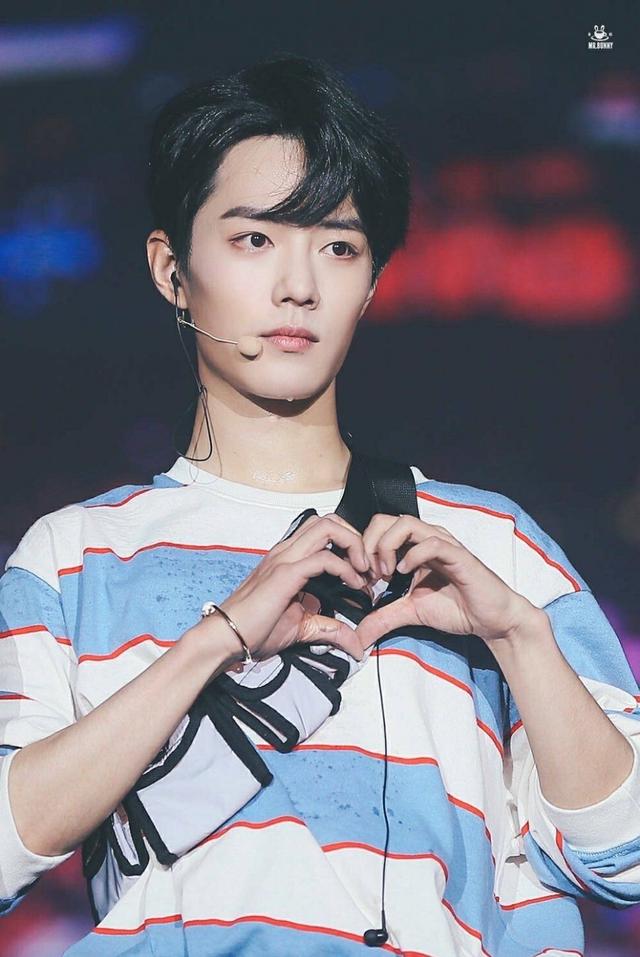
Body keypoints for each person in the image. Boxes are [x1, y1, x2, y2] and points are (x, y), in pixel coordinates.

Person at [1, 54, 640, 957]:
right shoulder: (73, 557)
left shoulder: (490, 542)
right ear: (171, 269)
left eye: (338, 247)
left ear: (372, 282)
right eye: (255, 240)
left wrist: (520, 636)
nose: (298, 285)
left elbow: (624, 856)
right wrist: (219, 638)